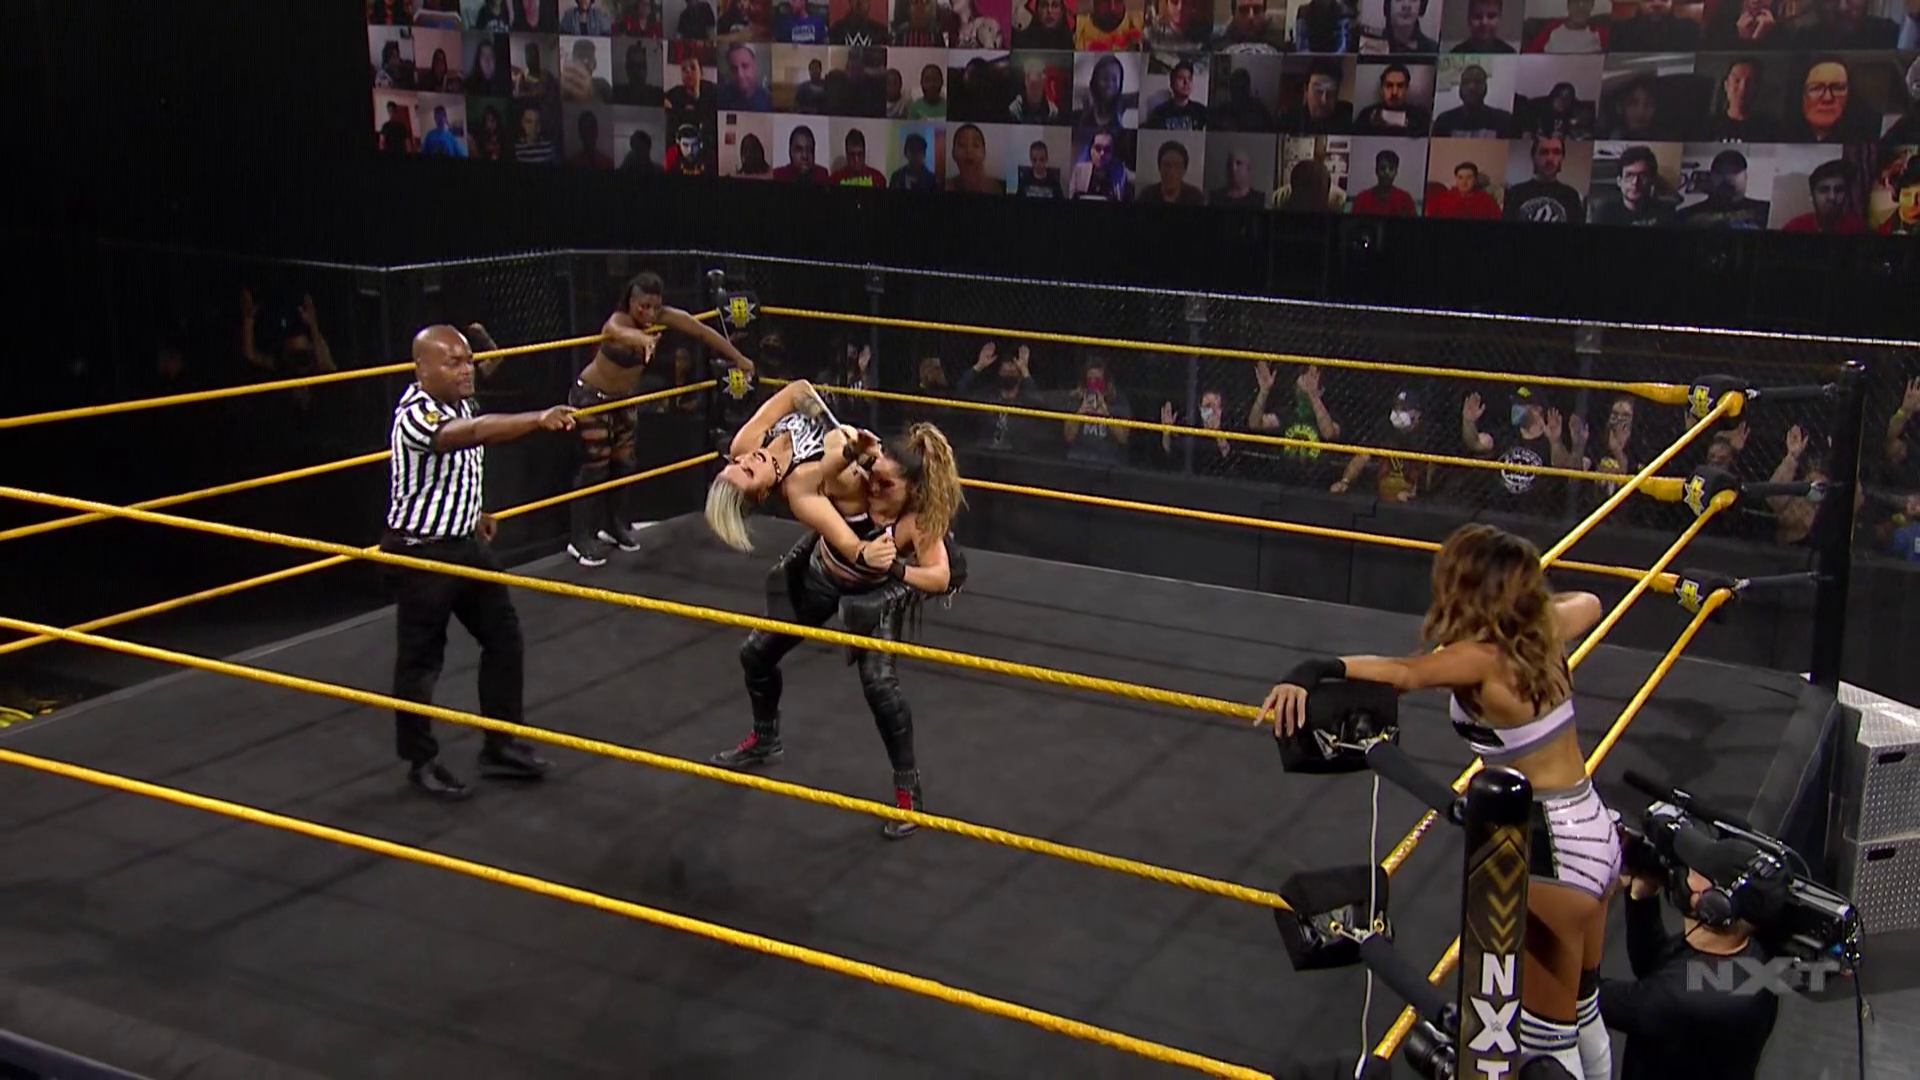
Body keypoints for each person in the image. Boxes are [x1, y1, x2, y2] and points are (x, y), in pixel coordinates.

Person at [1262, 524, 1614, 1080]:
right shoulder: (1544, 633)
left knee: (1547, 1043)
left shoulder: (1482, 658)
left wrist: (1312, 671)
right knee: (1585, 1011)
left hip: (1550, 851)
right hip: (1594, 827)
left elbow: (1404, 673)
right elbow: (1590, 601)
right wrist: (1532, 607)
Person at [707, 390, 966, 839]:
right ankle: (766, 739)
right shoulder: (847, 477)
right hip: (823, 573)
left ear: (911, 491)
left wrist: (896, 568)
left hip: (874, 591)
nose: (874, 486)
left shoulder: (917, 517)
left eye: (885, 483)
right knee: (755, 654)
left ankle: (909, 794)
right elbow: (814, 484)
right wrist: (848, 450)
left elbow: (941, 575)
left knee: (880, 686)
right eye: (874, 475)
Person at [384, 324, 574, 801]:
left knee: (504, 637)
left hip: (464, 543)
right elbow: (471, 435)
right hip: (423, 553)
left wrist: (476, 511)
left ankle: (500, 744)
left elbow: (458, 463)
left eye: (467, 360)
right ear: (422, 369)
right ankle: (420, 761)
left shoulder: (459, 401)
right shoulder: (416, 414)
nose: (466, 370)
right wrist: (538, 418)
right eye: (453, 362)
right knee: (421, 661)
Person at [567, 271, 757, 568]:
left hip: (624, 402)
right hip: (592, 397)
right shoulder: (619, 320)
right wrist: (643, 338)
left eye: (654, 307)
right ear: (630, 302)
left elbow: (702, 332)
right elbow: (617, 331)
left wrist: (738, 357)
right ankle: (579, 538)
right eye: (643, 306)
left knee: (623, 464)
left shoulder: (662, 317)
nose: (649, 313)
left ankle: (614, 526)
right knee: (595, 467)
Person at [1597, 840, 1784, 1079]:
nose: (1686, 872)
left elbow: (1585, 998)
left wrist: (1594, 900)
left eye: (1698, 872)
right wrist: (1642, 897)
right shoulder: (1750, 959)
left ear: (1715, 904)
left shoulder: (1681, 998)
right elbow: (1657, 966)